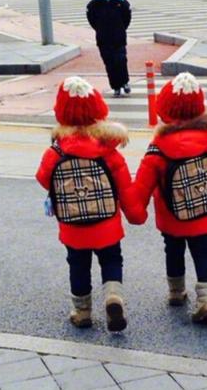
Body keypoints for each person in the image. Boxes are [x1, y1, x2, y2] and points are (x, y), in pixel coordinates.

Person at [36, 76, 146, 332]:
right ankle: (113, 297)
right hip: (107, 223)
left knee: (78, 264)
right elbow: (124, 187)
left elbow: (43, 179)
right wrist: (136, 214)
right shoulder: (108, 151)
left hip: (73, 225)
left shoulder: (56, 151)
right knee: (111, 260)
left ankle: (82, 311)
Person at [134, 73, 207, 323]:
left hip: (171, 216)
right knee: (204, 253)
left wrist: (135, 211)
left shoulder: (158, 148)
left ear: (164, 111)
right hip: (203, 214)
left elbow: (143, 184)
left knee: (173, 251)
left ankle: (176, 292)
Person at [86, 0, 132, 97]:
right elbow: (91, 19)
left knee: (121, 60)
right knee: (109, 63)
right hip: (103, 38)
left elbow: (127, 17)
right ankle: (116, 86)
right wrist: (100, 29)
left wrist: (120, 28)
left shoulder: (120, 1)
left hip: (118, 37)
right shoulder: (94, 4)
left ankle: (125, 82)